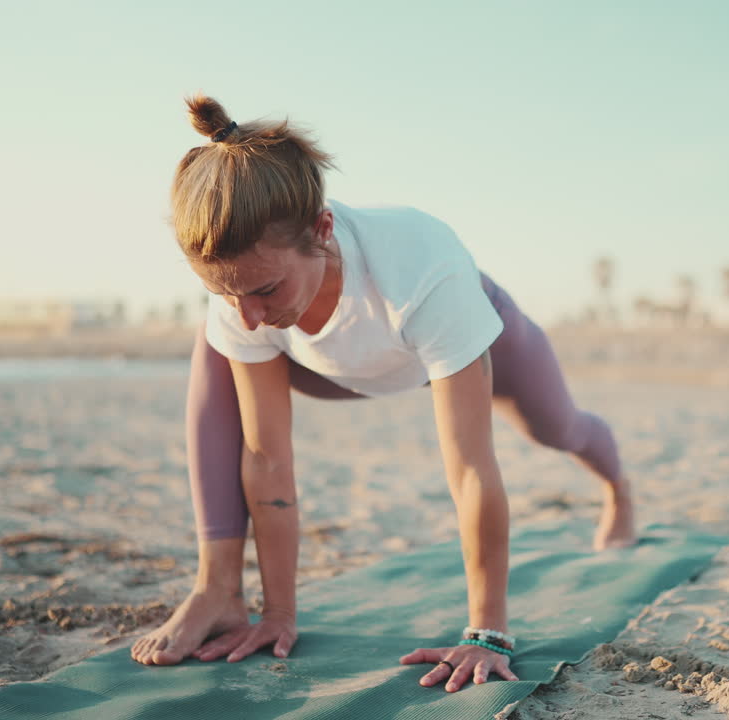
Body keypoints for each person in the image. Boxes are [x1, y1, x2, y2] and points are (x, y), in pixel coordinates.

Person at [128, 95, 637, 693]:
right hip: (329, 366)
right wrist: (281, 615)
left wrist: (487, 633)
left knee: (559, 428)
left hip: (450, 340)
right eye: (225, 291)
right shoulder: (247, 299)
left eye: (265, 288)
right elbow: (267, 458)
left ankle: (618, 488)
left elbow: (471, 469)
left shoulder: (422, 269)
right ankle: (220, 592)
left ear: (322, 229)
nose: (249, 315)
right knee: (214, 346)